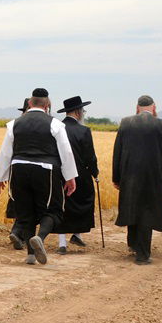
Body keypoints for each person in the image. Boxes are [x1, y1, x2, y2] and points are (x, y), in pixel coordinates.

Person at [0, 88, 78, 265]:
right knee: (53, 211)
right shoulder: (55, 124)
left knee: (25, 212)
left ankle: (31, 255)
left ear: (29, 103)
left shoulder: (13, 124)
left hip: (19, 169)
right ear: (47, 105)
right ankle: (40, 238)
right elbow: (66, 153)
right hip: (45, 170)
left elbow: (5, 153)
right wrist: (70, 177)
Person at [112, 95, 162, 265]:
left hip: (130, 175)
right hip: (154, 177)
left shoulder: (125, 123)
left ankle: (133, 244)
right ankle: (143, 254)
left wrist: (116, 177)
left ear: (137, 107)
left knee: (133, 208)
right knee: (147, 213)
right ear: (154, 108)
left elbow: (117, 152)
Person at [55, 95, 99, 254]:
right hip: (80, 175)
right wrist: (95, 173)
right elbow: (90, 156)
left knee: (62, 206)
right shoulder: (84, 130)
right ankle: (76, 233)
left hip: (59, 174)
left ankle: (63, 242)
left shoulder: (56, 128)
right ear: (78, 112)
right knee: (81, 204)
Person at [5, 97, 32, 250]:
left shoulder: (15, 125)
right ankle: (19, 233)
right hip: (32, 169)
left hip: (15, 168)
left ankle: (17, 232)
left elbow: (7, 152)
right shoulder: (38, 125)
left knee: (17, 199)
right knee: (29, 203)